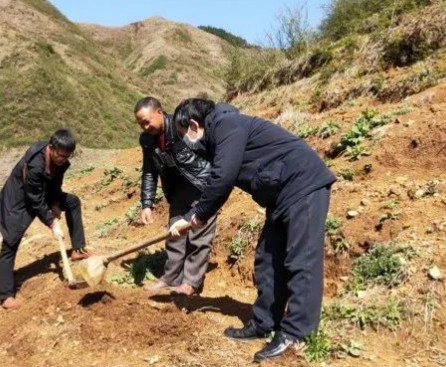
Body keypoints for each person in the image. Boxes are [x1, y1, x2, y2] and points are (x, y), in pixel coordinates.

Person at [169, 99, 335, 362]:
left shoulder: (225, 124)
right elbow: (214, 182)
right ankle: (265, 323)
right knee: (267, 260)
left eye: (183, 135)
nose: (187, 143)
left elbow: (222, 177)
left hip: (303, 184)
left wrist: (197, 217)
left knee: (300, 260)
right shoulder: (220, 135)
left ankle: (297, 335)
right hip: (281, 195)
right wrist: (191, 215)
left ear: (193, 125)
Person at [0, 129, 93, 309]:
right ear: (51, 148)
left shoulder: (60, 159)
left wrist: (55, 202)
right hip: (19, 200)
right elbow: (35, 200)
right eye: (61, 155)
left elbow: (55, 182)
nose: (64, 159)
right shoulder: (34, 166)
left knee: (72, 202)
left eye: (67, 156)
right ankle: (5, 295)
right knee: (10, 242)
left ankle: (78, 248)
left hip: (42, 192)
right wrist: (52, 223)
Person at [134, 96, 217, 296]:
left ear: (160, 113)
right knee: (174, 236)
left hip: (202, 187)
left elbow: (208, 151)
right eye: (140, 123)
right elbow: (149, 171)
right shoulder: (147, 140)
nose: (145, 127)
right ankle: (171, 278)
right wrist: (147, 203)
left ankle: (190, 283)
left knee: (199, 237)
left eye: (147, 121)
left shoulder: (181, 125)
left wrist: (214, 187)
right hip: (177, 191)